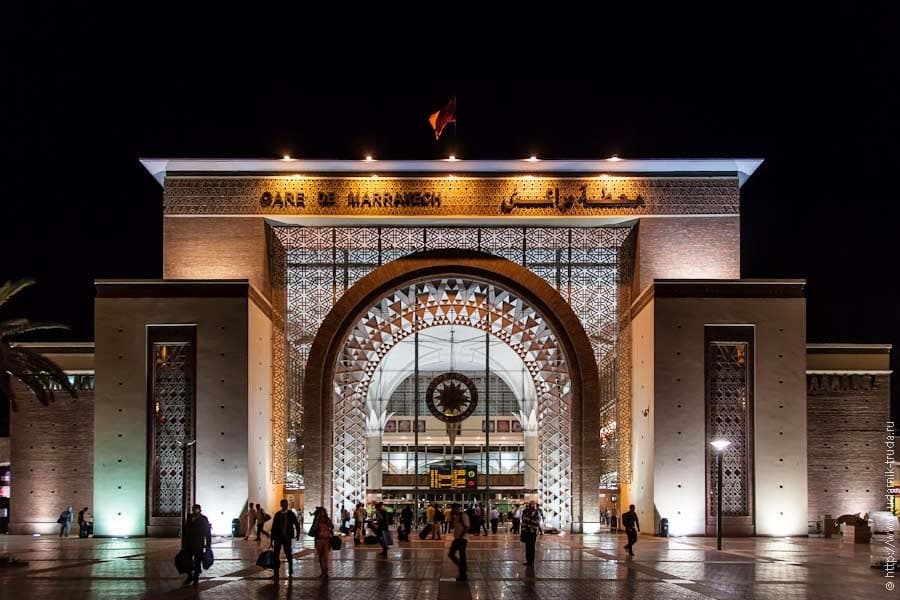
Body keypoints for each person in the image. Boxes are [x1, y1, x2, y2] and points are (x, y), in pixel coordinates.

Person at [181, 504, 211, 586]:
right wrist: (183, 543)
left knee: (197, 561)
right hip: (189, 544)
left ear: (200, 510)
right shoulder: (189, 518)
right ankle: (190, 576)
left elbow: (207, 532)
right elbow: (185, 531)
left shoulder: (203, 519)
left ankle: (196, 578)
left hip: (198, 544)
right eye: (194, 509)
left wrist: (208, 544)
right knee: (187, 561)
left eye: (196, 509)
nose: (195, 511)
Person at [271, 499, 301, 580]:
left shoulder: (291, 514)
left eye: (286, 504)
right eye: (284, 504)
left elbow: (296, 524)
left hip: (287, 537)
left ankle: (290, 570)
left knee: (288, 554)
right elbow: (274, 527)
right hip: (278, 537)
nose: (285, 505)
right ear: (281, 505)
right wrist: (271, 539)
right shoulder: (277, 514)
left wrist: (298, 534)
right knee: (276, 554)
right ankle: (276, 572)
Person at [310, 507, 334, 580]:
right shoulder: (316, 520)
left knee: (326, 557)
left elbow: (332, 526)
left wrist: (328, 524)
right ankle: (323, 571)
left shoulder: (327, 519)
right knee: (320, 556)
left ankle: (325, 572)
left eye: (323, 512)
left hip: (326, 540)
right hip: (319, 540)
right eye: (320, 512)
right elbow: (313, 529)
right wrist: (317, 521)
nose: (322, 513)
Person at [448, 503, 470, 581]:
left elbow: (467, 527)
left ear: (457, 508)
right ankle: (462, 567)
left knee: (462, 556)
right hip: (457, 538)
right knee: (451, 554)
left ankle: (463, 574)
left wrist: (461, 536)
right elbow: (452, 527)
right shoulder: (455, 517)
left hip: (462, 539)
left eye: (453, 508)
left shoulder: (463, 516)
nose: (452, 510)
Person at [520, 501, 540, 566]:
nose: (530, 506)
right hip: (527, 532)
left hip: (532, 532)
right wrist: (523, 531)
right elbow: (523, 523)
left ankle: (531, 561)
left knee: (531, 547)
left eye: (532, 505)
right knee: (528, 547)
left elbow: (536, 523)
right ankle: (528, 561)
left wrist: (529, 522)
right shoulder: (526, 513)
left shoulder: (536, 513)